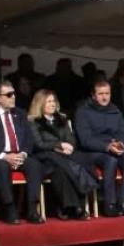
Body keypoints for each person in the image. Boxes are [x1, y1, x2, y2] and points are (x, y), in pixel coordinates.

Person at [0, 80, 45, 224]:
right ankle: (10, 209)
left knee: (34, 165)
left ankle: (32, 210)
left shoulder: (20, 113)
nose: (13, 97)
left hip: (19, 155)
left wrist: (23, 154)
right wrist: (4, 156)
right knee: (2, 166)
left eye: (14, 94)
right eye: (8, 94)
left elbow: (28, 139)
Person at [27, 89, 95, 220]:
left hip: (64, 158)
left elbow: (71, 140)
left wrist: (68, 148)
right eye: (48, 101)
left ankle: (67, 207)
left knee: (62, 170)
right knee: (63, 166)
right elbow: (38, 144)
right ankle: (76, 207)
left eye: (54, 101)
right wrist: (58, 146)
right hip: (45, 158)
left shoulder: (62, 119)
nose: (52, 104)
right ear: (40, 104)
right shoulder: (33, 122)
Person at [74, 79, 124, 216]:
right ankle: (109, 203)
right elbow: (85, 139)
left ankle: (123, 202)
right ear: (93, 95)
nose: (104, 97)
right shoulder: (83, 111)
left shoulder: (114, 110)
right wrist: (107, 146)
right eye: (101, 94)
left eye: (107, 93)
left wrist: (121, 143)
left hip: (114, 147)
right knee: (111, 161)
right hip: (93, 151)